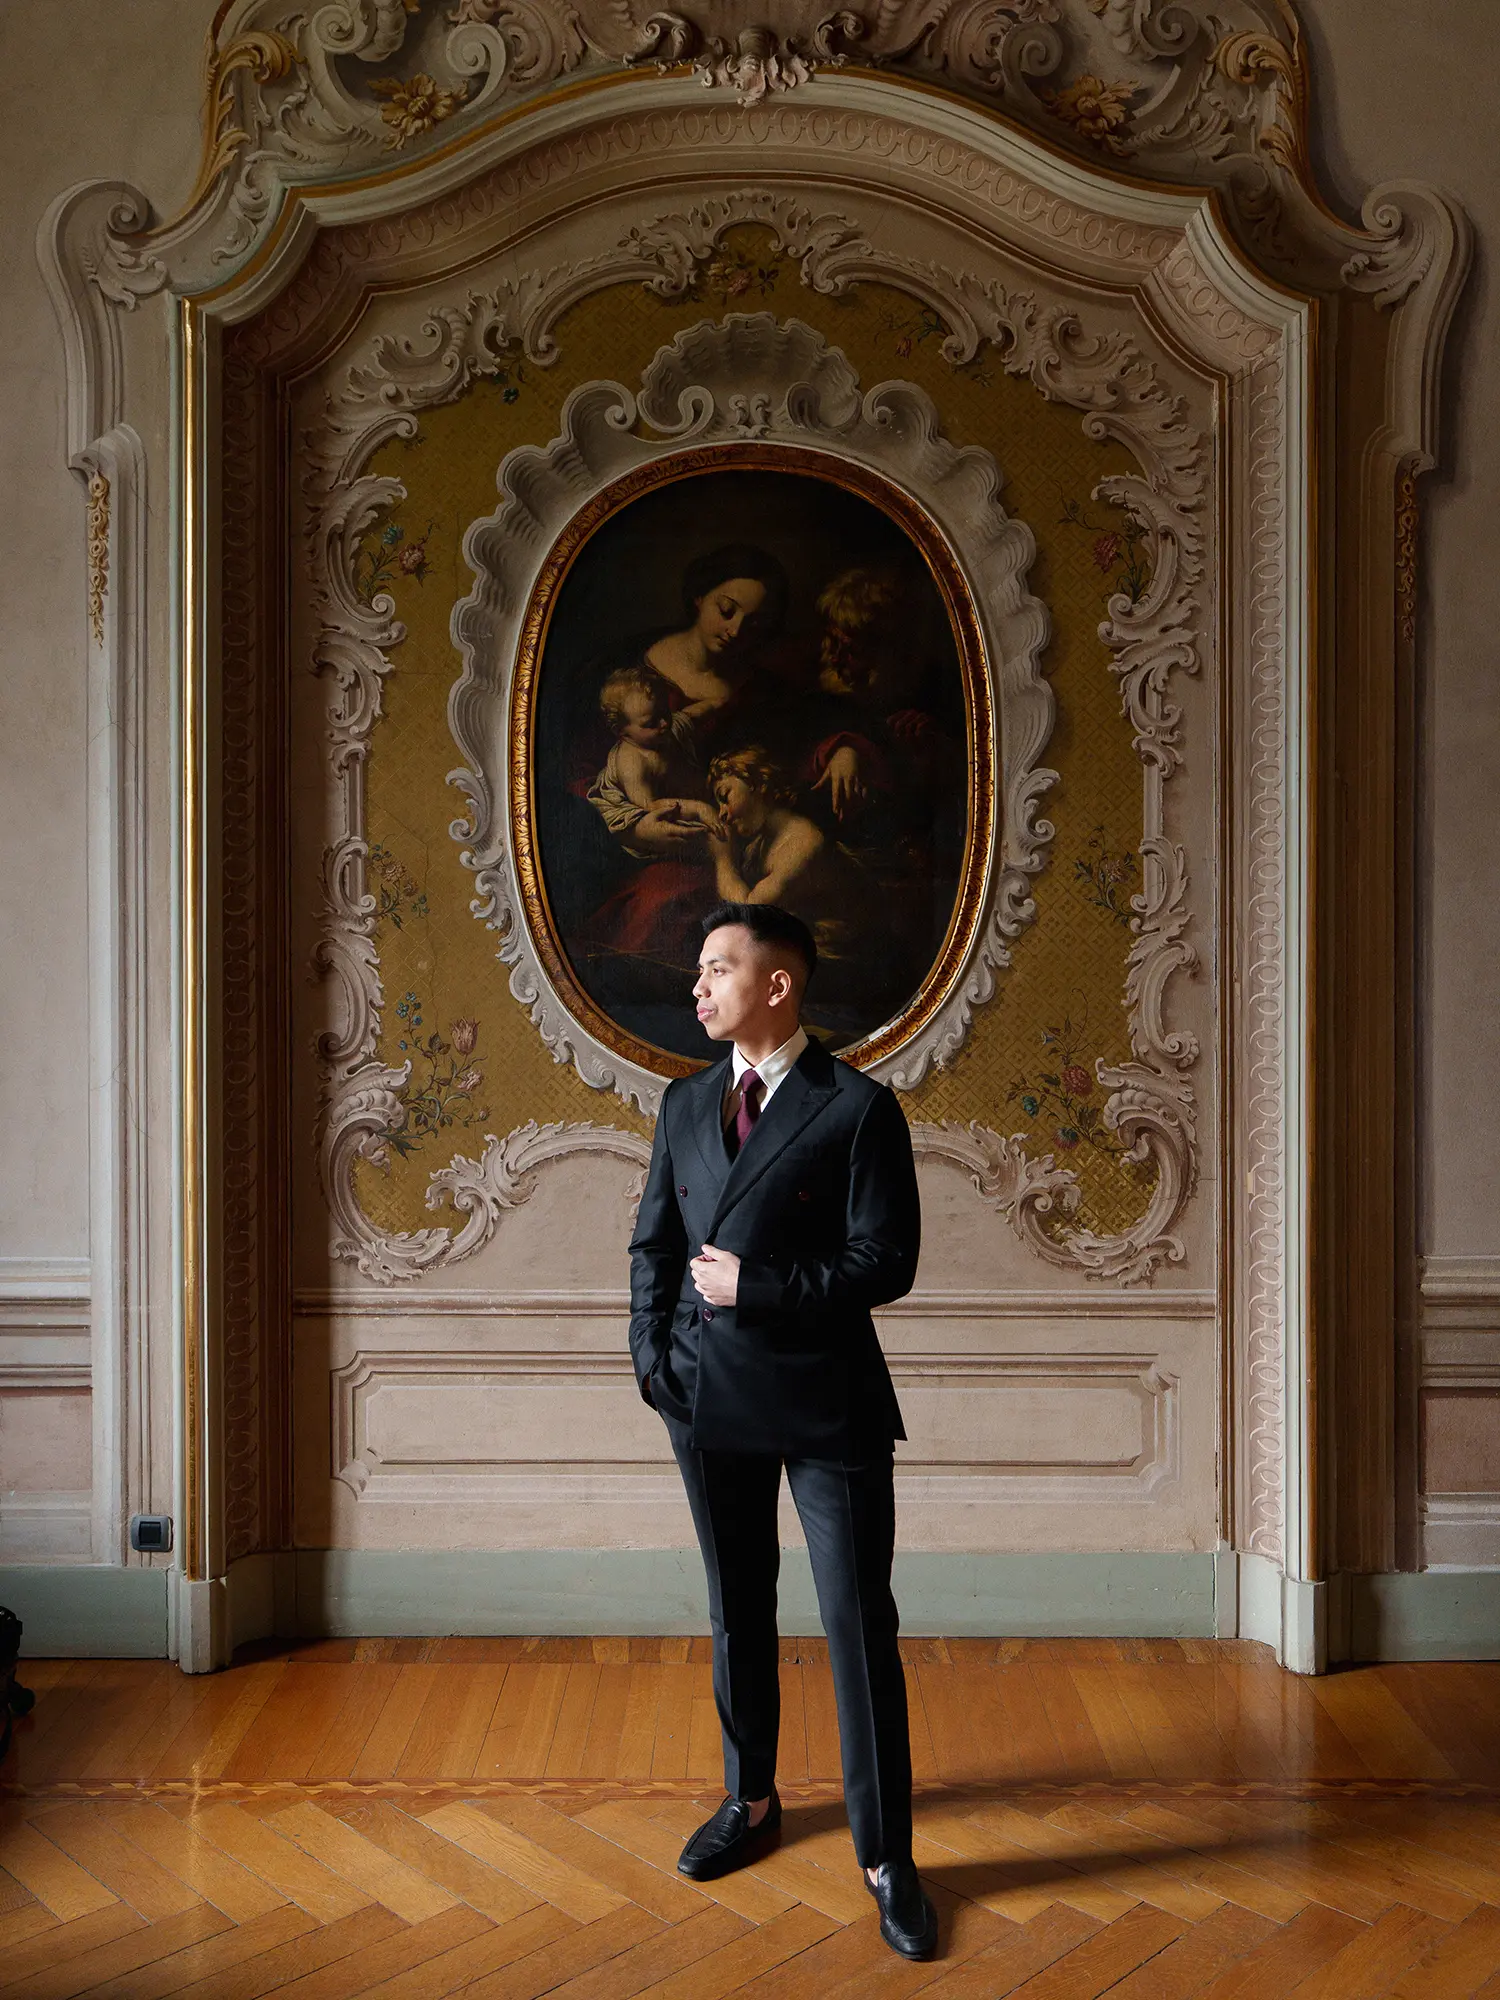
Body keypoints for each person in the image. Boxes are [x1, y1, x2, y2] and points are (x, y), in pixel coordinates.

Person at [627, 901, 938, 1962]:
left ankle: (887, 1858)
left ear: (778, 983)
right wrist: (653, 1363)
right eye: (699, 969)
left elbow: (886, 1261)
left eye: (719, 968)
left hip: (825, 1399)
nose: (698, 986)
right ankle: (749, 1799)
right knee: (736, 1609)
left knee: (856, 1623)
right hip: (704, 1396)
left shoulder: (857, 1107)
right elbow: (653, 1246)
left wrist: (757, 1286)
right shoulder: (683, 1102)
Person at [586, 664, 719, 859]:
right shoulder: (631, 762)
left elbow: (694, 714)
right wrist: (699, 809)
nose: (664, 723)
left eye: (665, 713)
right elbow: (650, 807)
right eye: (650, 723)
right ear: (622, 731)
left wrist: (718, 701)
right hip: (649, 811)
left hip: (681, 796)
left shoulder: (664, 731)